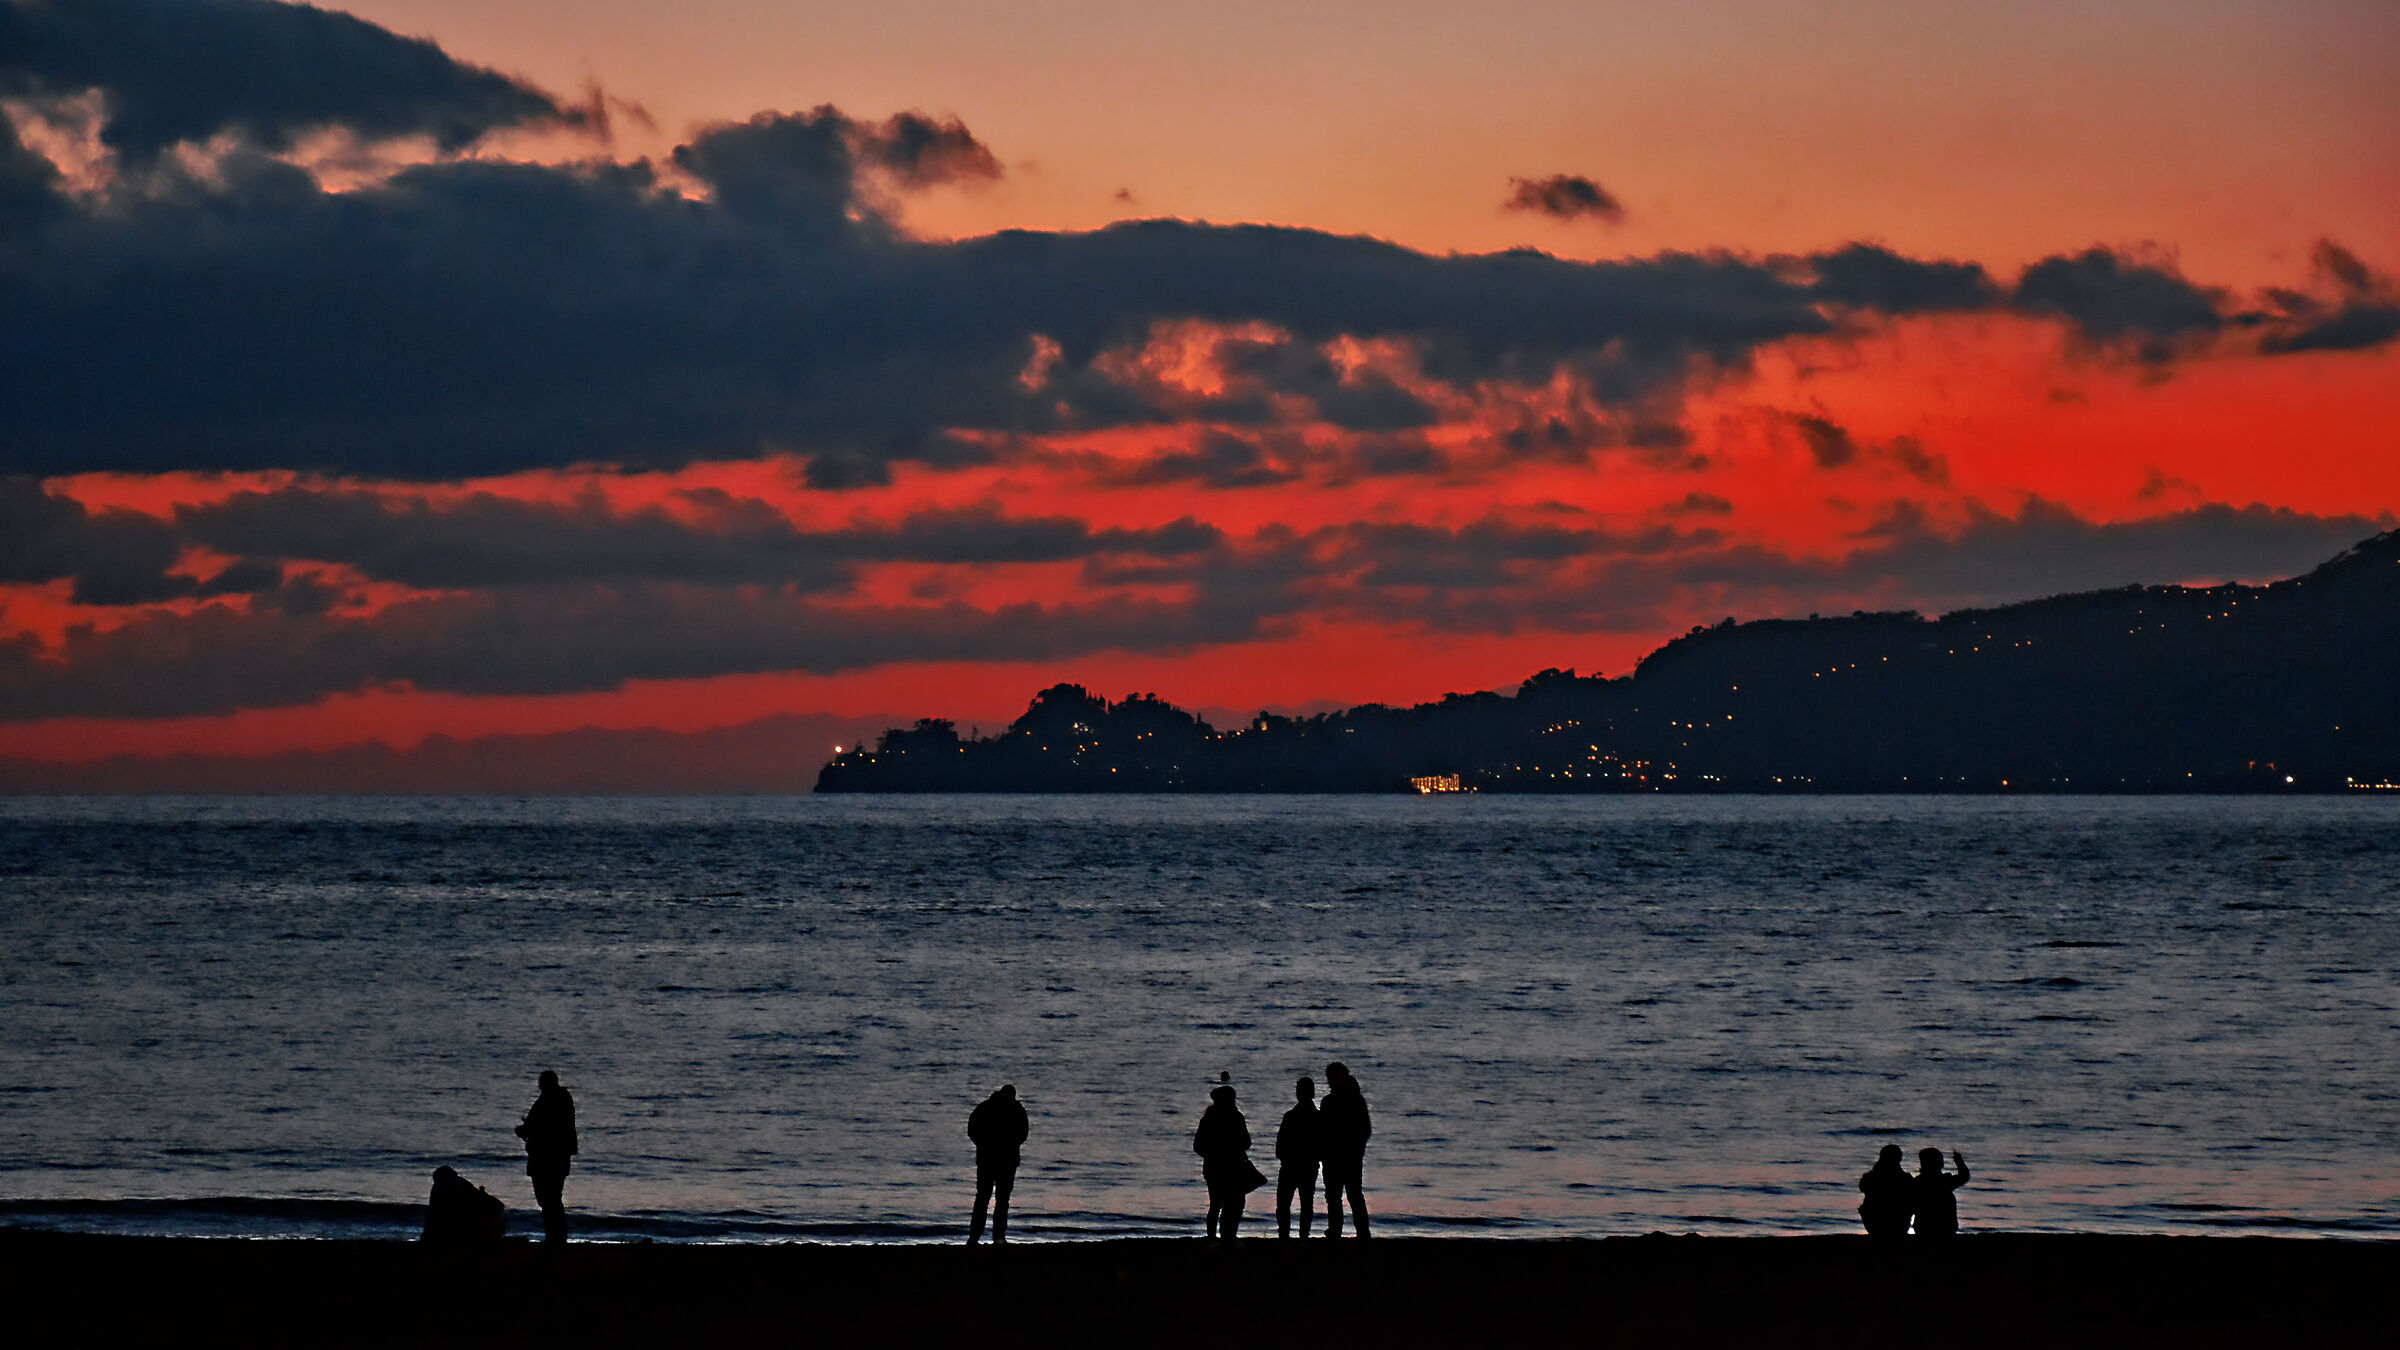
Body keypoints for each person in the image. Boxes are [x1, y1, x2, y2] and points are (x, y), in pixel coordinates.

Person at [513, 1069, 577, 1245]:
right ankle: (557, 1236)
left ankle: (555, 1237)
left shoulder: (547, 1101)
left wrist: (523, 1130)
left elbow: (539, 1127)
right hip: (559, 1157)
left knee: (547, 1199)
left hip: (545, 1158)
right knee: (553, 1198)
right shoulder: (563, 1100)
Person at [967, 1083, 1030, 1245]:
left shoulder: (984, 1107)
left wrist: (982, 1145)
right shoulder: (1016, 1109)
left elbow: (972, 1130)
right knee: (1002, 1200)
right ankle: (998, 1237)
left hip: (986, 1159)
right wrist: (1011, 1145)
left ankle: (974, 1237)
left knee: (982, 1198)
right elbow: (1023, 1133)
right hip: (1007, 1161)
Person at [1193, 1083, 1255, 1241]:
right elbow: (1247, 1142)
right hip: (1231, 1167)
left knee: (1216, 1204)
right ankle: (1229, 1235)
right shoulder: (1235, 1117)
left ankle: (1214, 1237)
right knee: (1234, 1203)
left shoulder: (1209, 1118)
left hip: (1214, 1168)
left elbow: (1198, 1146)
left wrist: (1210, 1156)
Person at [1318, 1062, 1372, 1239]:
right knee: (1340, 1196)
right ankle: (1342, 1230)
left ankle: (1356, 1231)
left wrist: (1355, 1149)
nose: (1330, 1082)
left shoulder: (1350, 1101)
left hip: (1346, 1157)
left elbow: (1364, 1130)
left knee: (1349, 1195)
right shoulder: (1335, 1101)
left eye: (1332, 1078)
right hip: (1339, 1157)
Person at [1275, 1076, 1321, 1239]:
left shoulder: (1290, 1116)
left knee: (1284, 1204)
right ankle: (1303, 1236)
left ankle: (1284, 1235)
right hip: (1309, 1165)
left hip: (1290, 1166)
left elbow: (1279, 1145)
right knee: (1306, 1203)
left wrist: (1283, 1157)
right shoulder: (1318, 1117)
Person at [421, 1165, 506, 1245]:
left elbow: (433, 1216)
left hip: (470, 1233)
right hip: (483, 1231)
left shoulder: (440, 1187)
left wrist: (425, 1237)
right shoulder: (464, 1184)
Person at [1856, 1144, 1914, 1238]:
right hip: (1899, 1225)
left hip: (1876, 1224)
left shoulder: (1870, 1177)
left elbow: (1862, 1186)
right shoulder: (1906, 1178)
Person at [1912, 1147, 1971, 1237]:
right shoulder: (1943, 1181)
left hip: (1923, 1227)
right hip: (1945, 1228)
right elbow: (1964, 1176)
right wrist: (1959, 1162)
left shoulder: (1918, 1182)